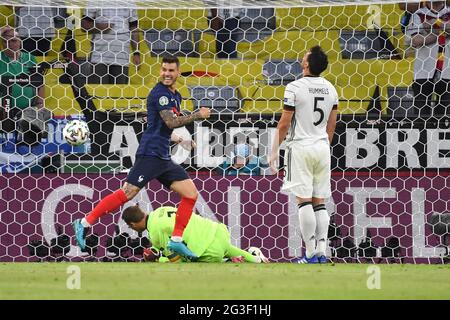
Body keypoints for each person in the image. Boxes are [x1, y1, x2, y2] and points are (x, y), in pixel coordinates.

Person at [73, 55, 211, 260]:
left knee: (190, 195)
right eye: (164, 69)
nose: (167, 73)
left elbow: (160, 126)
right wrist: (197, 115)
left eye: (171, 70)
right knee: (127, 193)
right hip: (150, 154)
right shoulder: (160, 94)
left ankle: (176, 240)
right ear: (160, 71)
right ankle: (84, 223)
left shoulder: (176, 95)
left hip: (162, 157)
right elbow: (171, 121)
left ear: (178, 72)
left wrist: (179, 140)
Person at [269, 46, 338, 264]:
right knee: (320, 203)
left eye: (304, 55)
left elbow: (284, 124)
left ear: (306, 64)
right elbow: (331, 126)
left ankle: (309, 254)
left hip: (300, 147)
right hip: (322, 148)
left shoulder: (294, 88)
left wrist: (273, 152)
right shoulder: (331, 89)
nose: (302, 57)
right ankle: (321, 253)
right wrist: (323, 145)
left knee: (304, 202)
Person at [122, 205, 269, 263]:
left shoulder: (154, 231)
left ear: (133, 224)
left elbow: (176, 261)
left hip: (209, 249)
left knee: (195, 264)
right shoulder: (162, 209)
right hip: (218, 231)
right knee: (227, 248)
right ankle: (254, 256)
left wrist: (158, 260)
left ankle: (232, 260)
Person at [0, 26, 48, 147]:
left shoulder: (30, 58)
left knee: (37, 116)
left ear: (20, 41)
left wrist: (40, 103)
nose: (10, 44)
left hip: (28, 109)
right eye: (5, 41)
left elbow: (40, 83)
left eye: (13, 40)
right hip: (4, 109)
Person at [406, 1, 450, 118]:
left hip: (448, 72)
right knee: (421, 116)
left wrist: (434, 26)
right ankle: (422, 136)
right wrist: (439, 33)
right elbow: (416, 40)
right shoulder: (418, 14)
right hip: (424, 71)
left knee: (445, 116)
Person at [81, 6, 141, 84]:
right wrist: (100, 26)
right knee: (99, 92)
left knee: (119, 93)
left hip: (122, 55)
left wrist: (136, 53)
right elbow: (84, 26)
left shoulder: (130, 2)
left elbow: (134, 28)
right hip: (99, 55)